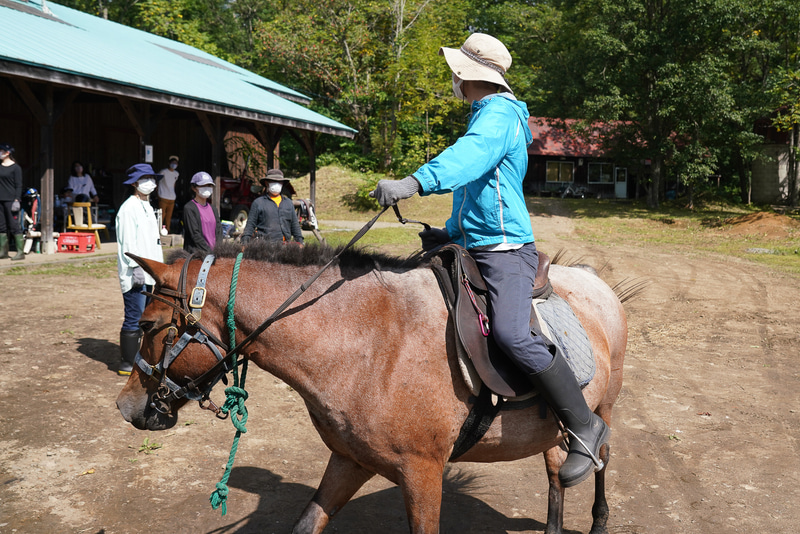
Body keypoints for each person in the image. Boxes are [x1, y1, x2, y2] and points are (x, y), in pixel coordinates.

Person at [369, 33, 609, 488]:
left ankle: (584, 426)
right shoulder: (488, 114)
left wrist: (415, 181)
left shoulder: (498, 114)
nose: (453, 80)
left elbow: (470, 159)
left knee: (512, 333)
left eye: (455, 72)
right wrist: (451, 232)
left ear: (466, 73)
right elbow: (479, 191)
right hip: (475, 242)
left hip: (504, 249)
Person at [115, 163, 164, 376]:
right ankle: (127, 362)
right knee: (134, 315)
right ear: (135, 183)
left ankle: (141, 356)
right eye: (145, 178)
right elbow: (128, 242)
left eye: (152, 178)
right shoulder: (128, 208)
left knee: (147, 316)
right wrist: (135, 267)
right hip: (135, 272)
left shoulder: (147, 206)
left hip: (151, 272)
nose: (150, 183)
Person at [241, 169, 303, 244]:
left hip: (285, 246)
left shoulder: (288, 203)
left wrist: (300, 242)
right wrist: (244, 242)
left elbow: (295, 226)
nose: (277, 184)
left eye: (279, 181)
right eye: (273, 181)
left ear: (282, 183)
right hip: (264, 246)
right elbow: (250, 226)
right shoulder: (258, 203)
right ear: (267, 183)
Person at [183, 171, 222, 255]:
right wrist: (208, 252)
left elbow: (219, 230)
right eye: (203, 186)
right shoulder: (189, 208)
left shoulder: (213, 209)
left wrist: (218, 250)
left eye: (209, 186)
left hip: (215, 254)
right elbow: (194, 234)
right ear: (194, 188)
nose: (207, 188)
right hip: (196, 255)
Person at [0, 143, 25, 261]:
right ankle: (3, 251)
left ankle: (20, 252)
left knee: (13, 225)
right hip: (0, 199)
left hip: (10, 200)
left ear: (7, 152)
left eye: (1, 151)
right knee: (1, 226)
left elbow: (18, 185)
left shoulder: (16, 168)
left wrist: (17, 199)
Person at [157, 155, 180, 233]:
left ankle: (167, 230)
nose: (174, 164)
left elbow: (174, 184)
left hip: (172, 197)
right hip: (163, 195)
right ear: (169, 163)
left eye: (176, 163)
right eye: (173, 162)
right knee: (162, 214)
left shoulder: (176, 174)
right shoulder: (163, 172)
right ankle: (159, 230)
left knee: (169, 216)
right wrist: (157, 193)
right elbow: (157, 182)